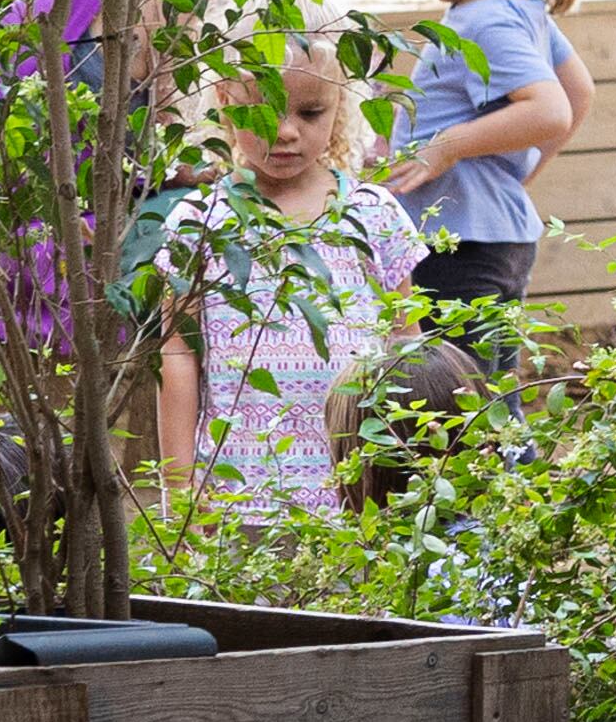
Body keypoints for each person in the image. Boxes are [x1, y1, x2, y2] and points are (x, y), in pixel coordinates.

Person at [153, 38, 428, 521]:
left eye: (310, 113)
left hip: (358, 494)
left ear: (340, 105)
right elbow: (177, 353)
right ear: (224, 101)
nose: (285, 132)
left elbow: (408, 347)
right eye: (265, 111)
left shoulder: (373, 215)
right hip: (238, 498)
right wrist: (180, 485)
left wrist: (413, 468)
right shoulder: (200, 222)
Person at [383, 0, 586, 331]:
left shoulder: (485, 22)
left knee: (452, 395)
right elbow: (580, 93)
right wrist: (511, 183)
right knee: (489, 395)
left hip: (458, 247)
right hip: (490, 236)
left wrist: (445, 147)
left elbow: (552, 110)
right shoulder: (521, 9)